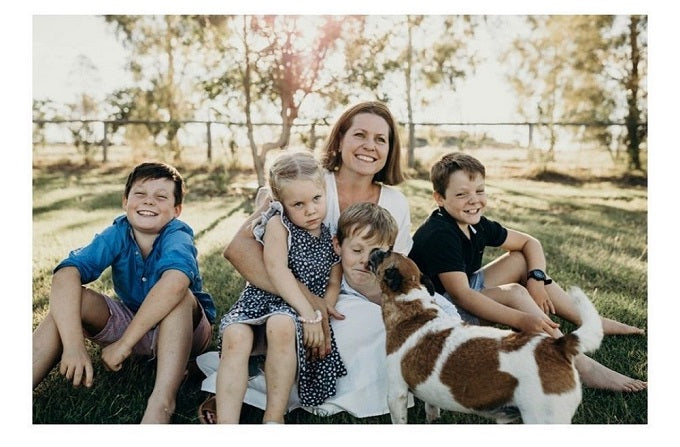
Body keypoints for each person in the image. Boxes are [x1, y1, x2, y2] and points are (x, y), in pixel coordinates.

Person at [196, 100, 416, 420]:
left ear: (390, 148)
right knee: (303, 326)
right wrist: (311, 305)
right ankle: (245, 391)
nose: (370, 145)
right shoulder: (308, 181)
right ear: (340, 139)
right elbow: (239, 248)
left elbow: (391, 274)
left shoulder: (395, 202)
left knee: (374, 329)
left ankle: (258, 392)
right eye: (360, 135)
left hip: (354, 298)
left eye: (381, 139)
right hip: (292, 292)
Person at [409, 152, 647, 392]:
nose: (474, 200)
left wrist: (536, 280)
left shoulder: (474, 223)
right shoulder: (440, 234)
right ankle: (576, 361)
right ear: (439, 198)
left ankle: (585, 319)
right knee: (514, 292)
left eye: (480, 191)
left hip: (458, 291)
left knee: (521, 261)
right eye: (461, 194)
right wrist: (521, 319)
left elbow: (530, 243)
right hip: (438, 311)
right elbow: (462, 296)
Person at [32, 162, 216, 423]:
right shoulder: (118, 232)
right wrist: (73, 346)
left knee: (179, 295)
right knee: (74, 299)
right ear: (125, 201)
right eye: (140, 194)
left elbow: (175, 282)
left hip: (184, 329)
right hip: (134, 316)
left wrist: (124, 344)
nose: (149, 202)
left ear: (177, 210)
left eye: (161, 196)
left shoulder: (178, 235)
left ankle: (162, 402)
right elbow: (65, 275)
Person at [214, 151, 346, 424]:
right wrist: (307, 311)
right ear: (281, 204)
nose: (310, 209)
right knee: (236, 335)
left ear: (325, 192)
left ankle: (273, 419)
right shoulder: (278, 225)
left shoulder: (330, 233)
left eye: (316, 199)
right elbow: (276, 270)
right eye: (298, 204)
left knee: (282, 324)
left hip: (292, 312)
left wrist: (323, 311)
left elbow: (334, 279)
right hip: (264, 299)